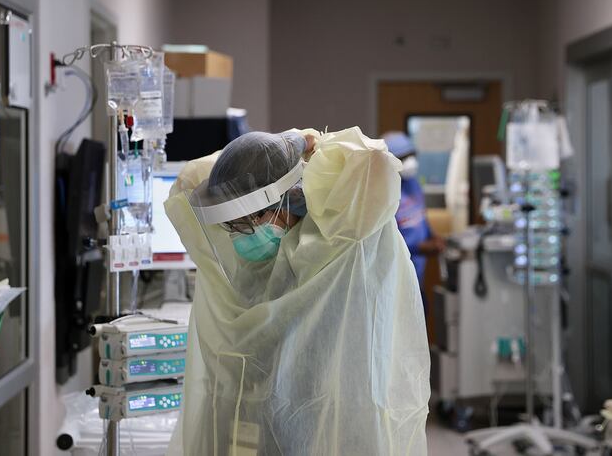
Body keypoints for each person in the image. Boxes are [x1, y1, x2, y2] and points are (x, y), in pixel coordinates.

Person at [164, 127, 430, 455]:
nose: (242, 234)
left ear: (290, 196)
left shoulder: (340, 241)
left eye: (254, 218)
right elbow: (189, 181)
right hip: (258, 415)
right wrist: (281, 146)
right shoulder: (249, 267)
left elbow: (373, 160)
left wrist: (313, 144)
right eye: (235, 225)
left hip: (333, 411)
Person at [382, 131, 445, 290]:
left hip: (417, 271)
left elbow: (421, 218)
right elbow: (385, 242)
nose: (410, 161)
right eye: (403, 157)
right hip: (395, 275)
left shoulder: (413, 184)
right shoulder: (384, 194)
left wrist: (434, 237)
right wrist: (422, 247)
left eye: (412, 155)